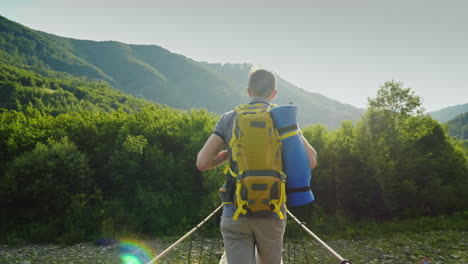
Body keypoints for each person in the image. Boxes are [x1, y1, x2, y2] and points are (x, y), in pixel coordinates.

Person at [197, 69, 317, 264]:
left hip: (235, 212)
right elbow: (311, 161)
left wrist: (229, 153)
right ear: (274, 93)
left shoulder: (229, 118)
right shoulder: (284, 119)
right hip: (273, 212)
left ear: (248, 91)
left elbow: (203, 163)